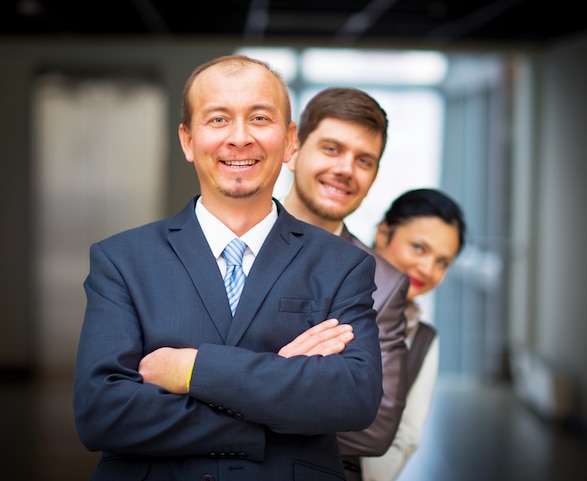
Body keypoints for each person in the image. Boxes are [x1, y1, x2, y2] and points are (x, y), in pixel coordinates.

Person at [72, 55, 384, 481]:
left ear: (291, 140)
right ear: (187, 140)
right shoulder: (122, 261)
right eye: (218, 119)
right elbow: (101, 413)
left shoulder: (343, 265)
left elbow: (352, 398)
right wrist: (280, 386)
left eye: (259, 118)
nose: (239, 138)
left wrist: (192, 370)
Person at [281, 87, 410, 481]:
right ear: (293, 147)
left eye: (364, 160)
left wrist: (234, 397)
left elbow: (373, 427)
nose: (346, 170)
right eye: (332, 149)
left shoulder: (383, 283)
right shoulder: (228, 242)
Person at [360, 188, 467, 481]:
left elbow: (405, 438)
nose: (428, 269)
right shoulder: (329, 294)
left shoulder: (423, 341)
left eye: (442, 261)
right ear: (384, 234)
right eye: (419, 248)